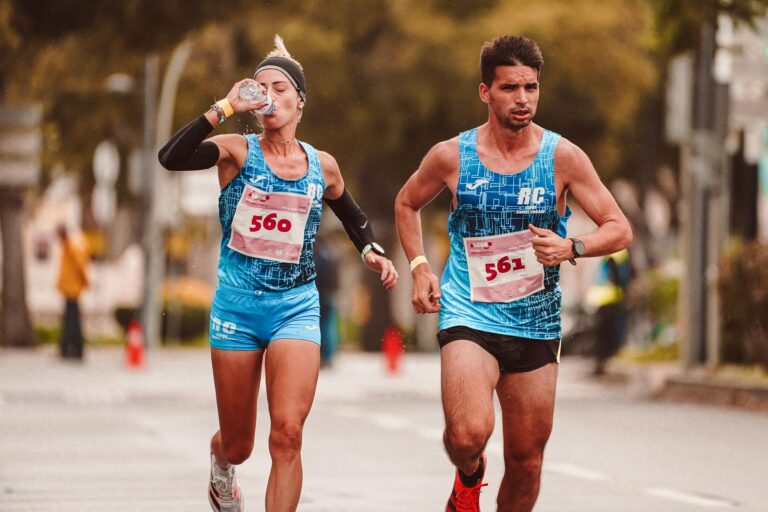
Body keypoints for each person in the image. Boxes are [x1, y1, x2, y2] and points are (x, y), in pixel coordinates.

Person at [158, 35, 398, 512]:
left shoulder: (322, 166)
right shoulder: (235, 152)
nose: (268, 95)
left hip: (296, 307)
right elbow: (171, 157)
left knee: (287, 435)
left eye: (280, 87)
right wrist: (225, 105)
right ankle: (221, 465)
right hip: (238, 310)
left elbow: (353, 216)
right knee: (240, 445)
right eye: (260, 87)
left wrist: (371, 250)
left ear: (299, 102)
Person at [395, 35, 632, 511]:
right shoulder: (451, 156)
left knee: (526, 461)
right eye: (509, 88)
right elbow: (406, 202)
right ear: (485, 92)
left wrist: (571, 246)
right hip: (469, 311)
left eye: (531, 87)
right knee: (467, 435)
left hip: (535, 320)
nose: (522, 99)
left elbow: (619, 228)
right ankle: (469, 477)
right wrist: (420, 268)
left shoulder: (563, 157)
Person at [588, 248, 632, 375]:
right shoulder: (618, 252)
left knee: (602, 336)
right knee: (609, 336)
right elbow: (618, 276)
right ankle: (602, 363)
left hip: (601, 299)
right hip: (610, 299)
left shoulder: (609, 252)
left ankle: (600, 364)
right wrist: (624, 292)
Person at [56, 224, 89, 360]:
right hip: (70, 289)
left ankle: (72, 349)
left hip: (72, 289)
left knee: (72, 321)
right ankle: (70, 348)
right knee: (71, 320)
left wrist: (85, 281)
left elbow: (79, 265)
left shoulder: (71, 245)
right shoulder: (68, 245)